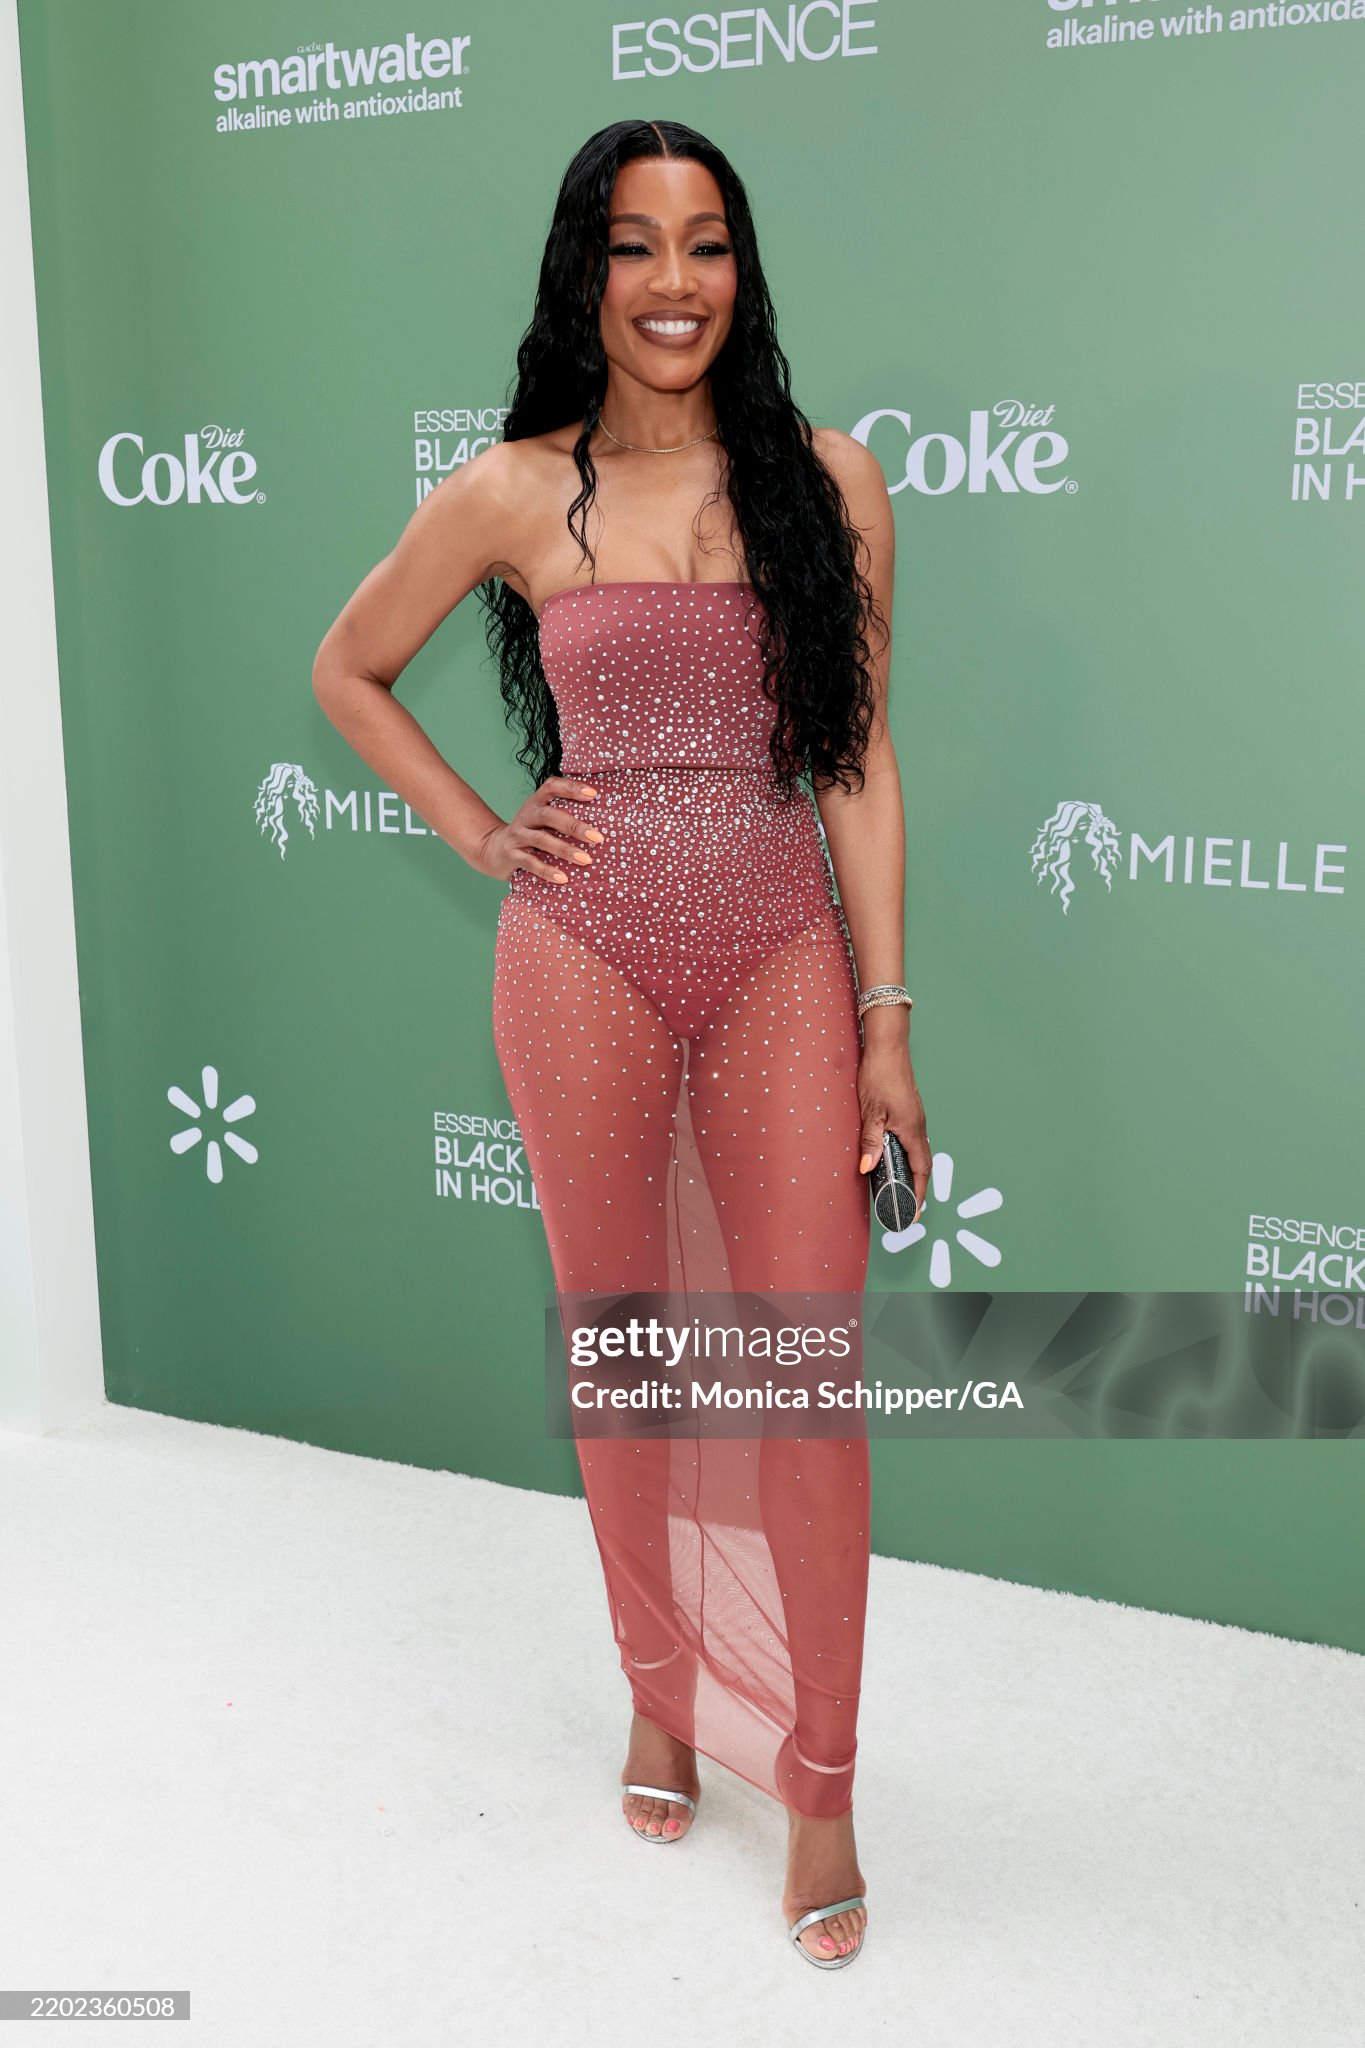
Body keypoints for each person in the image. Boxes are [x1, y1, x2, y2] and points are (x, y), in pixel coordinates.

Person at [312, 117, 931, 1970]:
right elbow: (347, 668)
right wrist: (482, 831)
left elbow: (855, 758)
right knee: (633, 1359)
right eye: (636, 245)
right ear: (583, 273)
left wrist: (886, 1022)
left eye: (707, 242)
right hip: (579, 959)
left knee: (803, 1376)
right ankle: (659, 1695)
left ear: (743, 269)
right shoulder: (512, 488)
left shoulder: (829, 478)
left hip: (778, 954)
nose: (674, 282)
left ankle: (819, 1778)